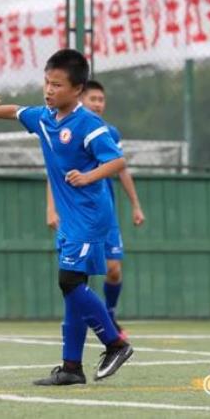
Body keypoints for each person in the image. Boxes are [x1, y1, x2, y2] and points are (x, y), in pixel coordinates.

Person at [0, 49, 133, 385]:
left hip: (91, 217)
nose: (49, 89)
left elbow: (117, 161)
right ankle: (71, 368)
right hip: (70, 218)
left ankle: (115, 343)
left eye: (57, 84)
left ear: (77, 90)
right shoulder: (45, 117)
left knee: (69, 282)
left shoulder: (89, 123)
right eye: (46, 82)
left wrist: (88, 177)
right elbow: (15, 112)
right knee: (73, 287)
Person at [46, 79, 145, 337]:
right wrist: (51, 208)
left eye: (102, 100)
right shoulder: (61, 125)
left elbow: (120, 166)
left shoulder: (107, 132)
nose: (98, 104)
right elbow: (55, 172)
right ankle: (91, 337)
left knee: (113, 270)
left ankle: (108, 317)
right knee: (74, 278)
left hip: (102, 213)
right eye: (94, 99)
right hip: (76, 215)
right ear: (80, 98)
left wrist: (136, 205)